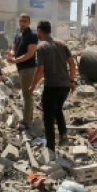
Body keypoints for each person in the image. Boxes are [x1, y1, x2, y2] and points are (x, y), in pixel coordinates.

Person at [30, 21, 77, 151]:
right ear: (50, 30)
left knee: (48, 118)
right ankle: (63, 134)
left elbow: (40, 70)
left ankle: (51, 148)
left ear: (39, 30)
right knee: (58, 110)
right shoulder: (62, 44)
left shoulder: (41, 47)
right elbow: (72, 64)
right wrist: (72, 81)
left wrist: (33, 86)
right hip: (65, 86)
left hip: (52, 86)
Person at [5, 14, 39, 128]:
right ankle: (29, 117)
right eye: (21, 21)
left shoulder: (32, 35)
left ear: (29, 22)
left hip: (28, 67)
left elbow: (30, 54)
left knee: (27, 94)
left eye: (25, 21)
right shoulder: (18, 35)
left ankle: (26, 121)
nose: (22, 23)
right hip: (21, 67)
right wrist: (11, 54)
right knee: (27, 93)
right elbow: (14, 49)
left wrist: (15, 61)